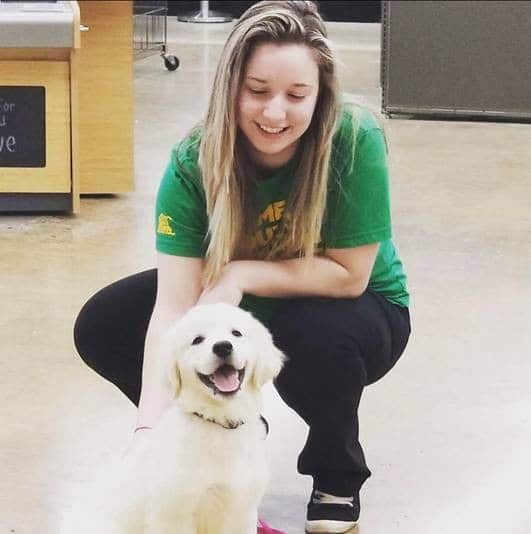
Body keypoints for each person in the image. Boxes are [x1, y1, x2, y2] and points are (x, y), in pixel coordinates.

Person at [73, 1, 411, 532]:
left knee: (314, 334)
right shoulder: (194, 161)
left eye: (297, 96)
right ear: (230, 86)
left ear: (321, 95)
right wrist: (148, 435)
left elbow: (350, 276)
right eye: (257, 92)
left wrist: (240, 275)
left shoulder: (352, 139)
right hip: (236, 309)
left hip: (355, 306)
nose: (275, 114)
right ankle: (230, 429)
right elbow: (174, 309)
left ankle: (336, 472)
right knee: (105, 323)